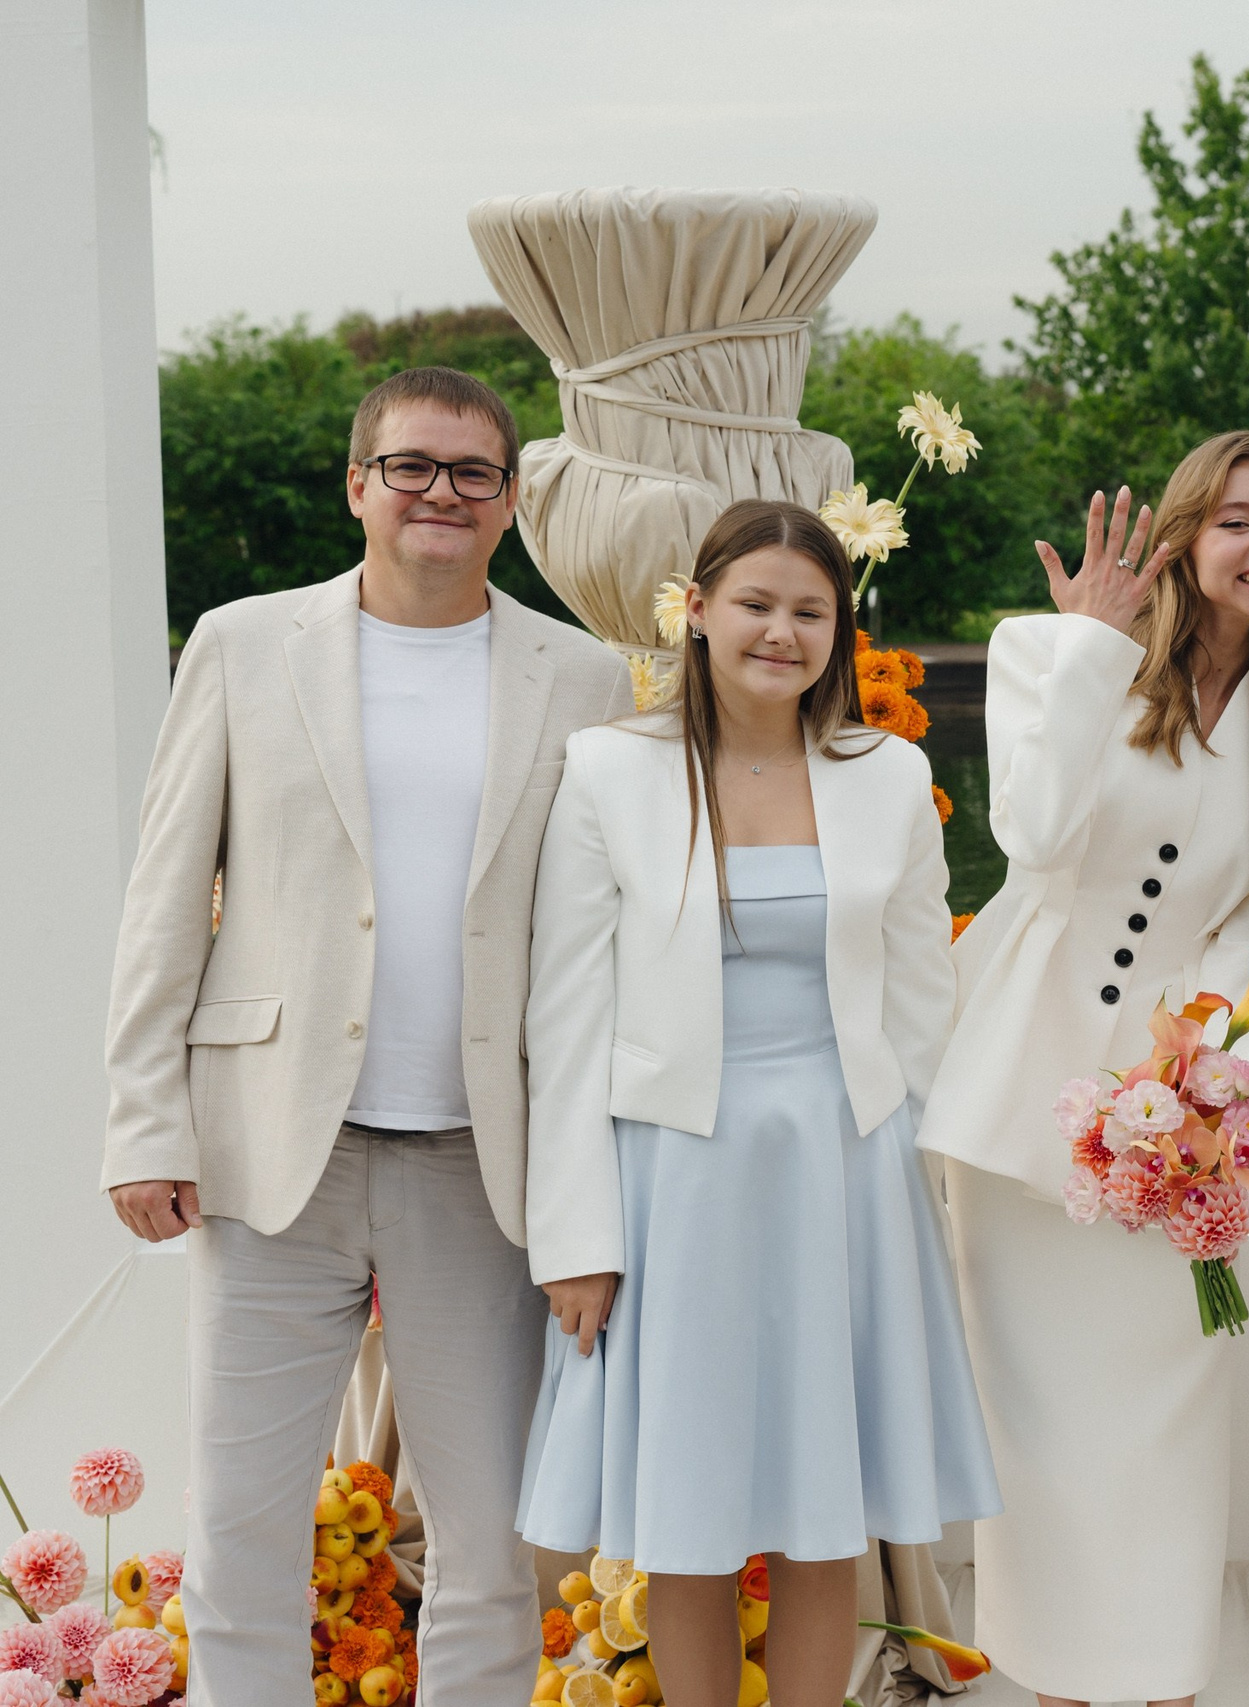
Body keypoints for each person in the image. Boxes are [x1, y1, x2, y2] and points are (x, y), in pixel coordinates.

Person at [99, 367, 633, 1704]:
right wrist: (142, 1120)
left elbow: (596, 943)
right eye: (411, 466)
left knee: (495, 1554)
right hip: (272, 1151)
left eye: (472, 472)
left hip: (479, 1163)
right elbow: (165, 897)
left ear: (509, 502)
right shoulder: (240, 642)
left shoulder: (582, 675)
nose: (440, 493)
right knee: (240, 1539)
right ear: (358, 484)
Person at [514, 500, 998, 1707]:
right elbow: (564, 1024)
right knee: (684, 1511)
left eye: (810, 611)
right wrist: (576, 1239)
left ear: (839, 630)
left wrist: (941, 1192)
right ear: (699, 612)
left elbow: (922, 998)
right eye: (756, 604)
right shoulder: (608, 770)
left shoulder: (887, 774)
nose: (781, 632)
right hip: (675, 1179)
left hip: (844, 1170)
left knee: (824, 1511)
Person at [918, 432, 1249, 1707]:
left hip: (1174, 1126)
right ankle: (1045, 1682)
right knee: (1034, 1441)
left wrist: (1218, 1106)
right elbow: (1030, 842)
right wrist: (1089, 644)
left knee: (1167, 1427)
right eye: (1237, 520)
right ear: (1189, 541)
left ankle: (1164, 1683)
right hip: (1026, 1101)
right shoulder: (1054, 654)